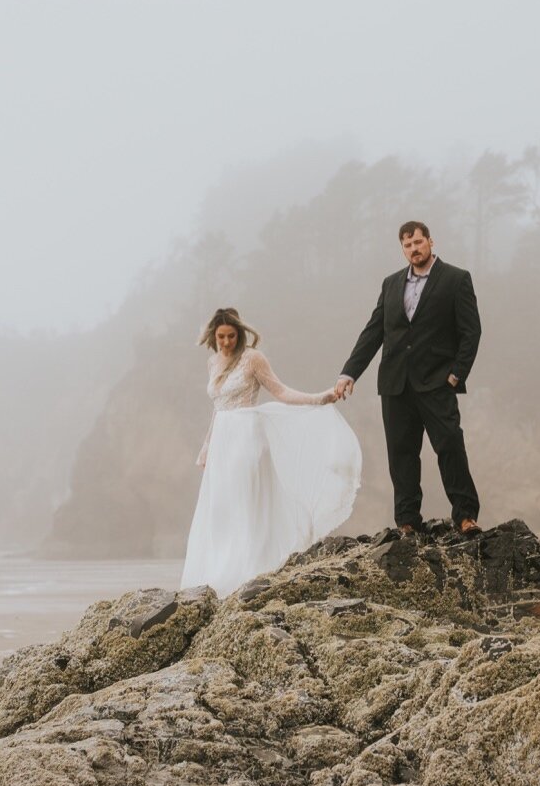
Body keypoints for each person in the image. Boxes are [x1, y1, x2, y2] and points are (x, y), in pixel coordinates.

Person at [181, 308, 362, 596]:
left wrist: (318, 398)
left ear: (240, 334)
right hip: (223, 442)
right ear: (213, 336)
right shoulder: (213, 362)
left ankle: (248, 573)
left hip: (247, 438)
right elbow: (217, 409)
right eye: (221, 337)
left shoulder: (253, 358)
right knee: (221, 509)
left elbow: (281, 391)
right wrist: (206, 446)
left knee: (246, 503)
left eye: (231, 336)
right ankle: (219, 572)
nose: (226, 342)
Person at [335, 221, 483, 536]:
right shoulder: (390, 284)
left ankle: (466, 516)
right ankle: (407, 521)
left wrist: (456, 374)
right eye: (407, 245)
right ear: (402, 248)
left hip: (438, 382)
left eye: (418, 242)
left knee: (450, 446)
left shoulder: (456, 279)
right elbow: (374, 331)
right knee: (401, 453)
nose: (413, 249)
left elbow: (471, 332)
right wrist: (349, 372)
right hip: (395, 383)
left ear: (430, 241)